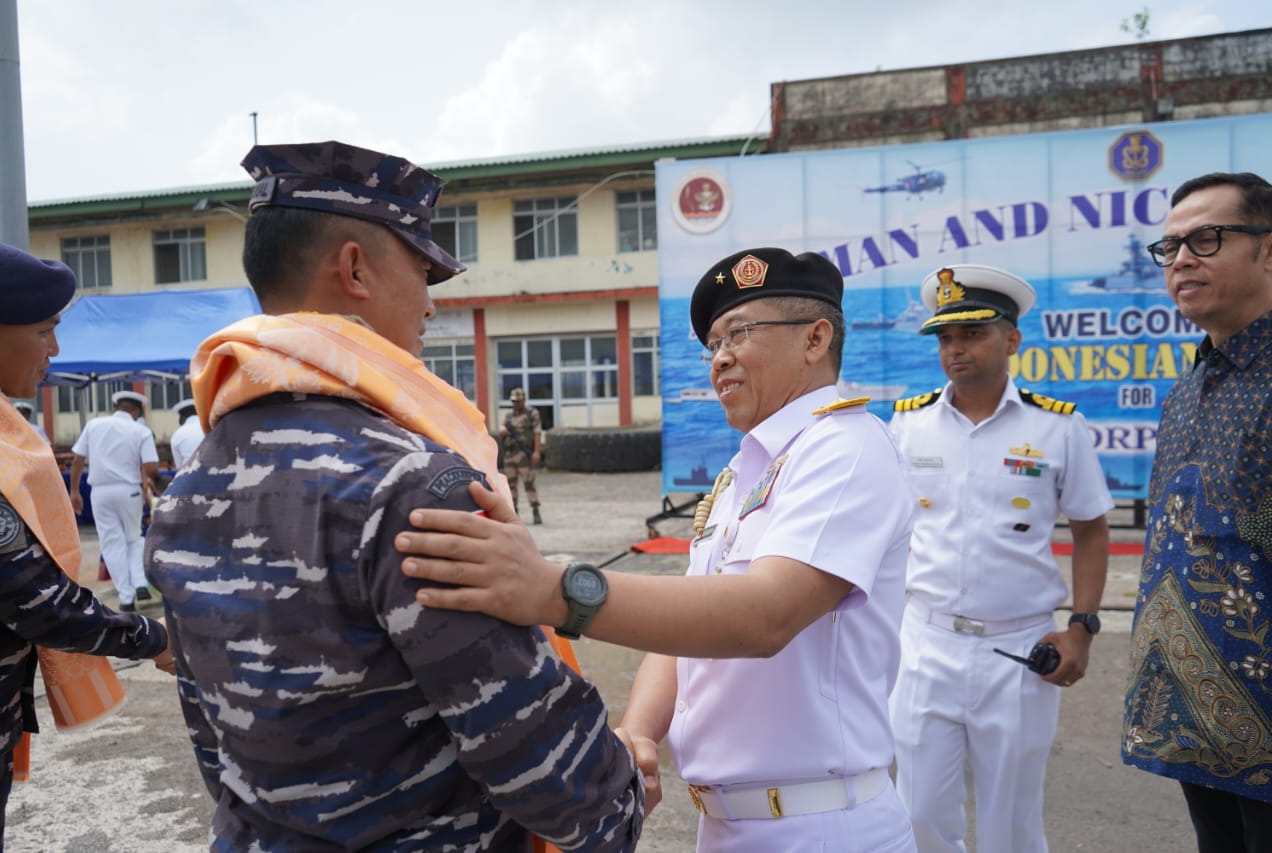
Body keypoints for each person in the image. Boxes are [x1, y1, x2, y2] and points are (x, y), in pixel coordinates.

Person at [144, 140, 645, 852]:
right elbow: (528, 746)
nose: (431, 306)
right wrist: (620, 800)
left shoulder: (185, 488)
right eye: (422, 270)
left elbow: (212, 735)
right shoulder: (410, 483)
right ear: (354, 268)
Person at [395, 247, 919, 852]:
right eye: (713, 344)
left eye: (739, 333)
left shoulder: (845, 449)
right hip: (728, 825)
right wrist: (640, 731)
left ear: (815, 338)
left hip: (822, 827)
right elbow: (687, 631)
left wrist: (557, 590)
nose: (720, 358)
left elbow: (766, 615)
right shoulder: (746, 471)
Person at [886, 264, 1113, 853]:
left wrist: (1083, 627)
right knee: (919, 814)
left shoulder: (1057, 428)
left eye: (972, 334)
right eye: (944, 337)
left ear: (1012, 339)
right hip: (924, 644)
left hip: (1016, 651)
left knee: (1010, 822)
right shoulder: (907, 426)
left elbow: (1090, 529)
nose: (955, 349)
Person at [0, 240, 173, 846]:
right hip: (124, 498)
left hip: (101, 496)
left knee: (119, 553)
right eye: (44, 331)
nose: (56, 350)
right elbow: (34, 598)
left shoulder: (23, 427)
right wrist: (152, 638)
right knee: (124, 553)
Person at [1122, 171, 1272, 853]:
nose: (1181, 259)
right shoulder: (1186, 388)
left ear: (1267, 250)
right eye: (1171, 246)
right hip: (1192, 722)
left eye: (1206, 238)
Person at [69, 390, 158, 612]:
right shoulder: (141, 430)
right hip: (130, 491)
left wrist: (74, 491)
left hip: (100, 492)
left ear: (115, 406)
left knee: (112, 543)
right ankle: (139, 583)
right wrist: (148, 490)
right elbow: (151, 468)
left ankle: (126, 597)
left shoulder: (94, 425)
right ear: (136, 411)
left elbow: (78, 459)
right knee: (134, 538)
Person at [500, 386, 543, 524]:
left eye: (518, 401)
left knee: (529, 483)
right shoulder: (509, 416)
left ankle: (535, 510)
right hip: (509, 454)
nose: (515, 404)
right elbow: (502, 429)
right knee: (510, 485)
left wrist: (536, 451)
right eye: (513, 402)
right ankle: (514, 513)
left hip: (523, 454)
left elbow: (537, 432)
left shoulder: (532, 413)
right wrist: (503, 431)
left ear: (523, 400)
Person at [168, 398, 203, 469]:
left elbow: (179, 467)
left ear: (182, 417)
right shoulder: (211, 428)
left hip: (188, 476)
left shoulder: (177, 435)